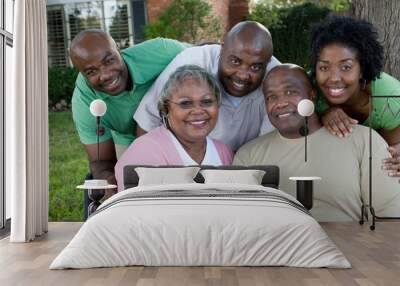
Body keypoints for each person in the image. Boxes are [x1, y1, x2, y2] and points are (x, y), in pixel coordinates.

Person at [234, 64, 400, 221]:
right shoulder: (248, 156)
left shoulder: (364, 141)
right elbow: (239, 221)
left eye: (291, 92)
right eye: (271, 97)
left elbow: (388, 218)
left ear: (312, 95)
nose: (281, 103)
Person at [134, 21, 281, 152]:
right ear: (222, 48)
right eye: (235, 61)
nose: (243, 75)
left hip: (244, 164)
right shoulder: (189, 64)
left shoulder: (276, 79)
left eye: (255, 67)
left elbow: (268, 147)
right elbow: (148, 118)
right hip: (182, 163)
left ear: (267, 63)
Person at [69, 30, 189, 185]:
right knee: (132, 184)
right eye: (91, 71)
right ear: (82, 74)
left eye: (109, 61)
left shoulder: (160, 51)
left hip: (180, 130)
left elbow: (204, 55)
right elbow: (101, 161)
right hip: (128, 139)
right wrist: (108, 180)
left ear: (119, 51)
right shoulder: (85, 103)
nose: (105, 75)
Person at [115, 65, 233, 192]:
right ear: (166, 109)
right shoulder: (144, 151)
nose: (198, 111)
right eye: (185, 103)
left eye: (207, 102)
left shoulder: (224, 152)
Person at [310, 16, 400, 177]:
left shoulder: (389, 99)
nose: (334, 78)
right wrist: (324, 114)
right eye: (324, 67)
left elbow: (387, 151)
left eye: (346, 67)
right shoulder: (308, 88)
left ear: (362, 69)